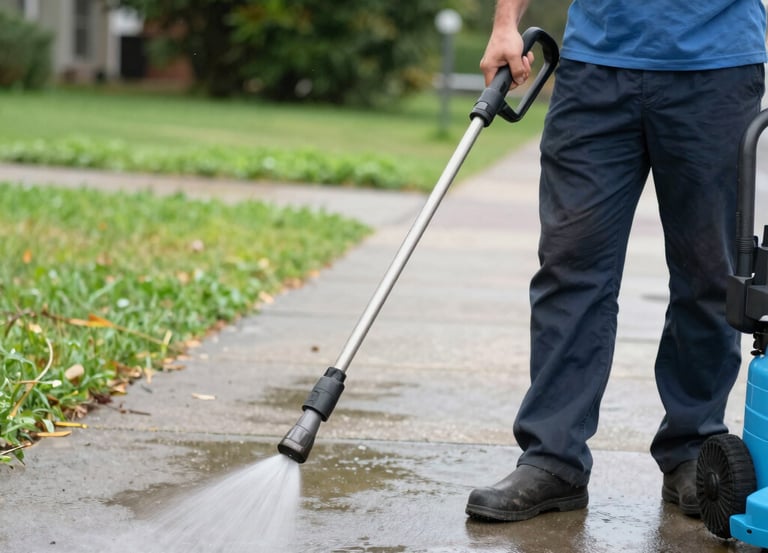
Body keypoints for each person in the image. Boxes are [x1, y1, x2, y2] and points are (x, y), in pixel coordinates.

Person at [466, 0, 768, 522]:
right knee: (569, 264)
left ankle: (694, 451)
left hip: (716, 69)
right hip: (596, 69)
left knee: (709, 273)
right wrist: (503, 24)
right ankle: (552, 459)